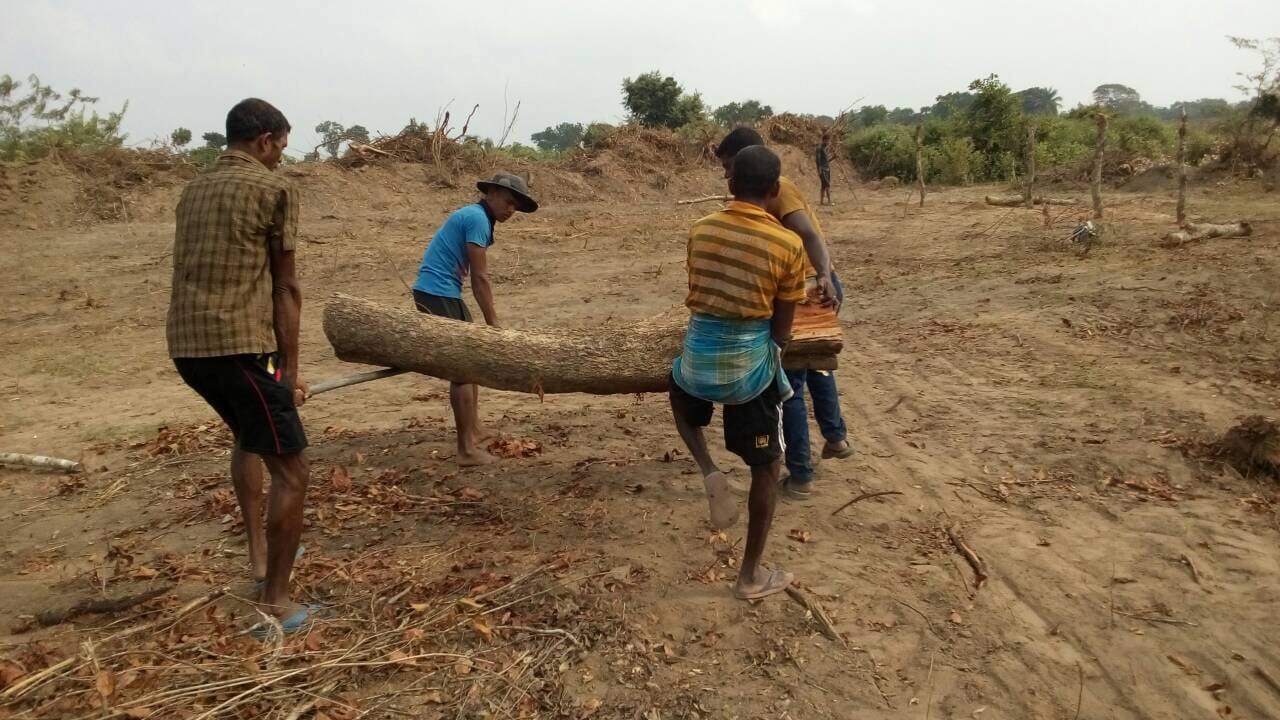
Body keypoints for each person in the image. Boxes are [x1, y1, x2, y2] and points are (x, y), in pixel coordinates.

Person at [167, 98, 313, 631]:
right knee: (293, 471)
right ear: (265, 141)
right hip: (241, 350)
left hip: (189, 347)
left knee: (251, 437)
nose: (280, 158)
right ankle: (277, 603)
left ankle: (258, 557)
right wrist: (289, 371)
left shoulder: (193, 187)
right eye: (281, 148)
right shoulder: (274, 190)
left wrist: (279, 377)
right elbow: (286, 286)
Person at [669, 145, 805, 601]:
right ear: (774, 190)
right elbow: (782, 331)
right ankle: (749, 577)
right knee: (768, 468)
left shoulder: (699, 230)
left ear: (729, 185)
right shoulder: (789, 246)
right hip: (746, 375)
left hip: (696, 365)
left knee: (677, 387)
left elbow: (699, 293)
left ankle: (707, 467)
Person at [715, 127, 854, 499]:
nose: (727, 176)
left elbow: (808, 234)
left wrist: (822, 276)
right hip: (812, 283)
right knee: (818, 365)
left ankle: (802, 476)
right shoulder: (768, 190)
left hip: (806, 290)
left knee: (789, 386)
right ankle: (836, 438)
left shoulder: (778, 188)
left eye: (729, 167)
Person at [412, 173, 538, 466]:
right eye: (507, 202)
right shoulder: (478, 219)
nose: (510, 210)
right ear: (491, 194)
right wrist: (493, 323)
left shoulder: (477, 217)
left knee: (473, 361)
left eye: (515, 207)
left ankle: (475, 428)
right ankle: (465, 449)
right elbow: (480, 278)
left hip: (444, 292)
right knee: (462, 369)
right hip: (436, 293)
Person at [816, 132, 833, 206]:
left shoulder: (825, 149)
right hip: (823, 169)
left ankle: (821, 202)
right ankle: (829, 201)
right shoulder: (819, 148)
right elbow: (817, 159)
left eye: (829, 141)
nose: (829, 142)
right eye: (828, 141)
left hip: (827, 169)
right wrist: (819, 169)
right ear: (824, 140)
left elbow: (827, 161)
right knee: (827, 185)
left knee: (823, 185)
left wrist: (833, 157)